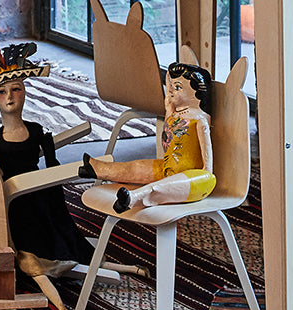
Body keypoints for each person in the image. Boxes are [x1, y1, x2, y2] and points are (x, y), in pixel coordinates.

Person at [0, 29, 104, 310]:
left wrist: (60, 183)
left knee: (56, 228)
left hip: (39, 192)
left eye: (16, 89)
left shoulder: (37, 131)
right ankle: (60, 301)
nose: (10, 97)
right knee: (29, 245)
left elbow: (50, 163)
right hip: (15, 201)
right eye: (1, 92)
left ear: (25, 92)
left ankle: (68, 259)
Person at [78, 61, 216, 213]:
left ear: (195, 93)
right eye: (171, 87)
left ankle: (132, 198)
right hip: (167, 169)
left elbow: (207, 163)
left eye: (177, 87)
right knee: (135, 168)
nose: (171, 92)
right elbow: (168, 121)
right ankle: (97, 169)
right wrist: (168, 91)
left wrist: (204, 177)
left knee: (158, 187)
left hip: (191, 177)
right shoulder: (174, 113)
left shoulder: (200, 121)